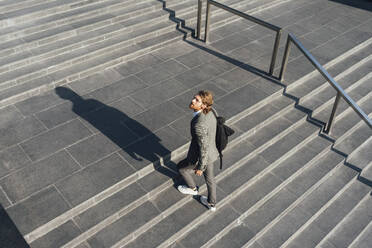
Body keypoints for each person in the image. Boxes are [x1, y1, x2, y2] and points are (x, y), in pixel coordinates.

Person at [177, 90, 219, 211]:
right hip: (211, 154)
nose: (192, 100)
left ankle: (192, 189)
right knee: (210, 180)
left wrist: (200, 167)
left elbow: (203, 147)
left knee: (181, 169)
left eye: (197, 100)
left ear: (203, 105)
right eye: (194, 98)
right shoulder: (211, 112)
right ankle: (212, 203)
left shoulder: (199, 125)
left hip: (202, 156)